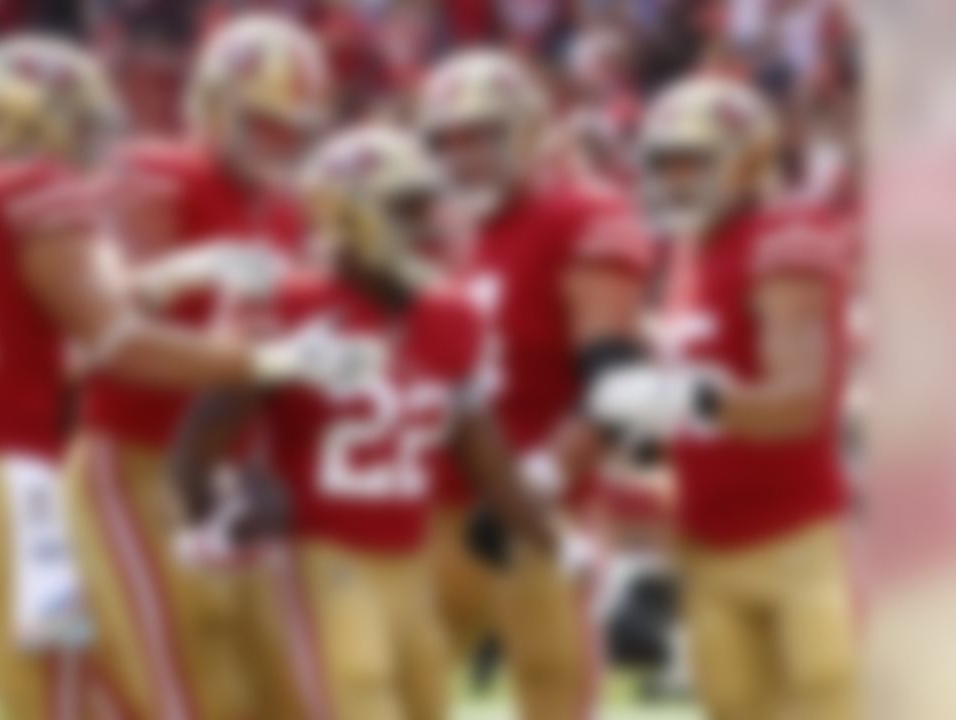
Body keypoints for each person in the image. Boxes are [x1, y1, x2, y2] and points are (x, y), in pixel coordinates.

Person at [0, 34, 360, 720]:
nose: (90, 141)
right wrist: (266, 360)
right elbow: (113, 342)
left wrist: (178, 274)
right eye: (79, 119)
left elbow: (52, 302)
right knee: (71, 697)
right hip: (11, 490)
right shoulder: (35, 191)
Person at [170, 126, 574, 720]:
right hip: (317, 558)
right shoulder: (290, 302)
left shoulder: (449, 315)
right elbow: (201, 438)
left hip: (407, 565)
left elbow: (485, 454)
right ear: (350, 213)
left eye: (424, 204)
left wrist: (563, 547)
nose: (428, 222)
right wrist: (214, 522)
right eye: (404, 207)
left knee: (427, 702)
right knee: (356, 700)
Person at [61, 14, 335, 720]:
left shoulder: (288, 210)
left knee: (271, 687)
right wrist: (193, 281)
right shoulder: (160, 171)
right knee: (169, 676)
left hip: (231, 470)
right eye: (266, 123)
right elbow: (113, 310)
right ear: (215, 109)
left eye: (294, 128)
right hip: (136, 456)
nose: (282, 143)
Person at [588, 74, 860, 720]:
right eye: (664, 165)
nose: (675, 181)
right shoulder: (689, 253)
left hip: (792, 541)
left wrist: (689, 398)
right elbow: (677, 436)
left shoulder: (783, 234)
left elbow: (801, 403)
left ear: (749, 159)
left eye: (693, 163)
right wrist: (646, 563)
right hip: (704, 547)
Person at [414, 49, 652, 719]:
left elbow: (618, 383)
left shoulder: (580, 216)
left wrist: (537, 482)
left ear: (525, 131)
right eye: (447, 142)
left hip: (541, 509)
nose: (462, 157)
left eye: (480, 136)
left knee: (554, 693)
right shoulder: (445, 234)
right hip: (434, 504)